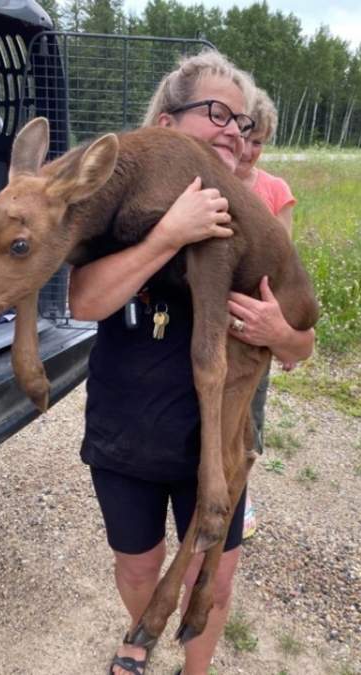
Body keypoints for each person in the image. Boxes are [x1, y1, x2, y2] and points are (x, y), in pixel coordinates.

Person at [68, 50, 314, 675]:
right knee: (137, 565)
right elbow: (84, 302)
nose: (235, 129)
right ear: (167, 126)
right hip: (127, 429)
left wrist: (280, 333)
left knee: (217, 574)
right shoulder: (122, 209)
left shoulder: (260, 223)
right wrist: (169, 235)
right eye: (217, 113)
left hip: (218, 442)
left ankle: (195, 670)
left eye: (243, 120)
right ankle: (139, 636)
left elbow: (301, 345)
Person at [230, 89, 298, 540]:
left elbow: (287, 266)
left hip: (256, 323)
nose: (251, 151)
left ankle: (240, 490)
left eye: (261, 142)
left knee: (250, 409)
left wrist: (286, 332)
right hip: (215, 317)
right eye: (246, 138)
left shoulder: (276, 191)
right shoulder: (208, 181)